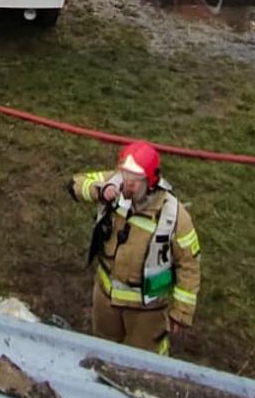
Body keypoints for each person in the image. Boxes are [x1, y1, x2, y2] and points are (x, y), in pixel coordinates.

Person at [67, 142, 202, 356]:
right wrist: (99, 191)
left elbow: (189, 265)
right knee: (102, 352)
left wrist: (182, 312)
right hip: (105, 297)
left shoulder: (174, 217)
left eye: (135, 180)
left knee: (145, 361)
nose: (128, 184)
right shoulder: (115, 182)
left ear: (151, 181)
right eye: (125, 175)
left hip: (147, 308)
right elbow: (75, 184)